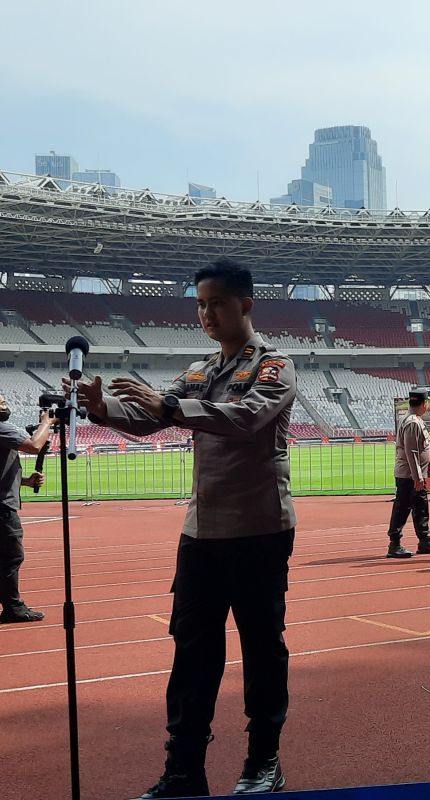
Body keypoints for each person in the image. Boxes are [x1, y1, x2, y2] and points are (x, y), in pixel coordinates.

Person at [75, 258, 297, 796]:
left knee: (262, 648)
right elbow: (151, 417)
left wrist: (171, 405)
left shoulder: (274, 365)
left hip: (259, 529)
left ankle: (262, 762)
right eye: (199, 304)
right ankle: (183, 772)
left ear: (245, 303)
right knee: (192, 653)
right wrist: (104, 409)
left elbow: (245, 420)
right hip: (201, 534)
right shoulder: (199, 371)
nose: (206, 315)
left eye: (216, 303)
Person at [0, 395, 51, 624]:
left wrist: (26, 482)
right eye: (0, 403)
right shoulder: (2, 428)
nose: (5, 405)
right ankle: (13, 607)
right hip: (2, 508)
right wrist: (47, 423)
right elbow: (34, 445)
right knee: (12, 556)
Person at [386, 390, 430, 559]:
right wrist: (418, 477)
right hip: (409, 476)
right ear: (424, 404)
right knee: (403, 508)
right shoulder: (413, 422)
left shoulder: (413, 420)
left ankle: (424, 541)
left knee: (420, 508)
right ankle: (395, 543)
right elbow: (411, 451)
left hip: (412, 474)